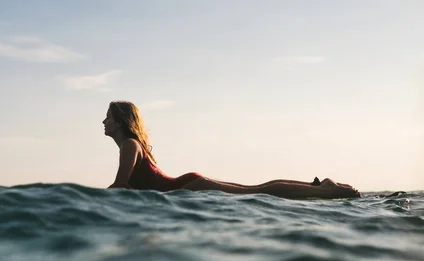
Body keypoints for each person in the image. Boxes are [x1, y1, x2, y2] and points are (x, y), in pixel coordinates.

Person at [103, 101, 360, 199]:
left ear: (120, 121)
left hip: (189, 187)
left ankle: (329, 191)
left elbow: (121, 186)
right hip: (190, 184)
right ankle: (319, 187)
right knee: (258, 189)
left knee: (260, 191)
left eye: (108, 117)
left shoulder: (129, 145)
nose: (104, 122)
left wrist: (87, 198)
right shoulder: (132, 145)